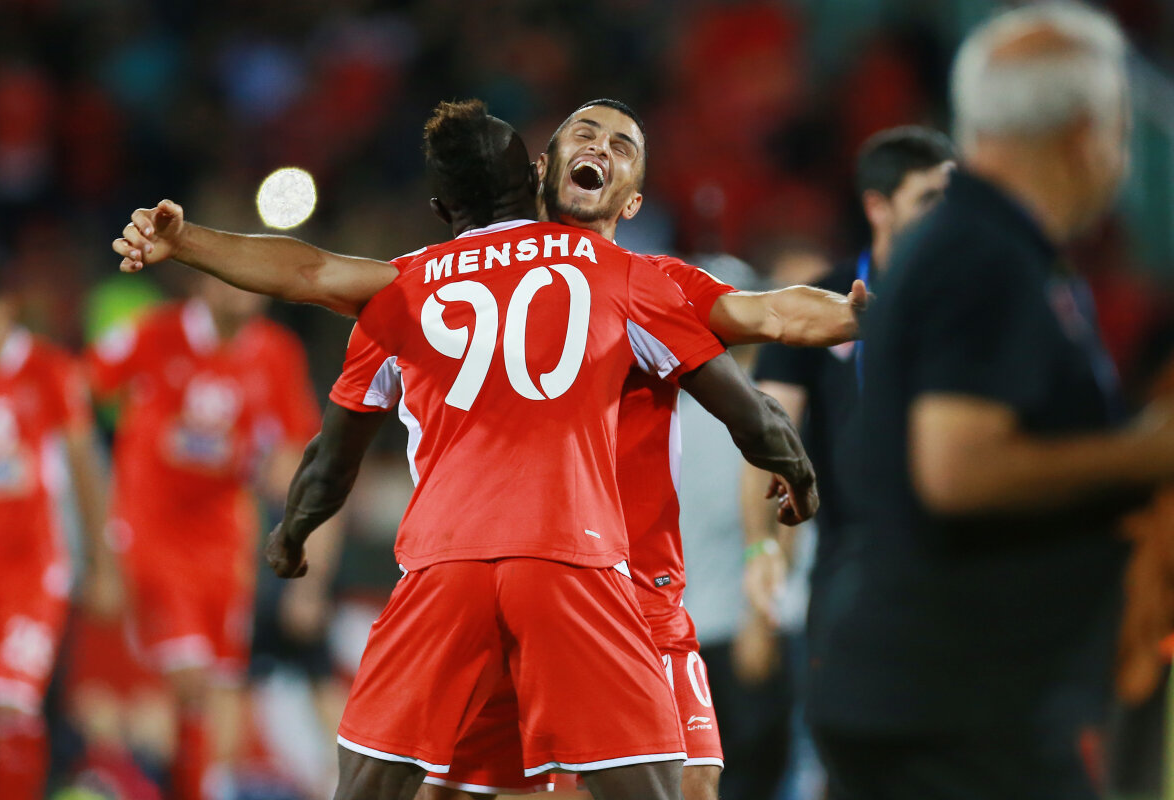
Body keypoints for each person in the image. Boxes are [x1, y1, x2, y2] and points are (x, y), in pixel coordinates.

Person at [113, 97, 860, 800]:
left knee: (674, 786)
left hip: (614, 589)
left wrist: (861, 309)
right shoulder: (624, 281)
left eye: (621, 144)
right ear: (541, 169)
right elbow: (760, 366)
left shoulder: (441, 281)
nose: (600, 147)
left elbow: (776, 312)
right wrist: (800, 453)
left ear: (633, 200)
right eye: (585, 133)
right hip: (575, 570)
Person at [806, 5, 1174, 798]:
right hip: (956, 705)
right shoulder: (983, 253)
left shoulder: (978, 245)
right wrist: (1147, 453)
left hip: (928, 692)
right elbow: (958, 468)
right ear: (1085, 133)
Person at [86, 273, 331, 800]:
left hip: (226, 545)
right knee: (190, 674)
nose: (245, 289)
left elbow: (296, 450)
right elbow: (86, 385)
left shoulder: (276, 353)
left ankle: (202, 785)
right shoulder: (154, 333)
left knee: (219, 686)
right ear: (205, 282)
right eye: (233, 277)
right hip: (153, 532)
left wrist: (285, 488)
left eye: (253, 279)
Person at [742, 126, 953, 634]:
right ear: (878, 207)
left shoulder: (974, 299)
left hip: (955, 565)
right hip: (851, 567)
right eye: (928, 199)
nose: (946, 214)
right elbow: (767, 431)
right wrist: (763, 546)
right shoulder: (823, 301)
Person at [0, 264, 115, 800]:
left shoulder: (49, 370)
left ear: (3, 310)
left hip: (32, 570)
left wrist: (102, 563)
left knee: (10, 706)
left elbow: (85, 469)